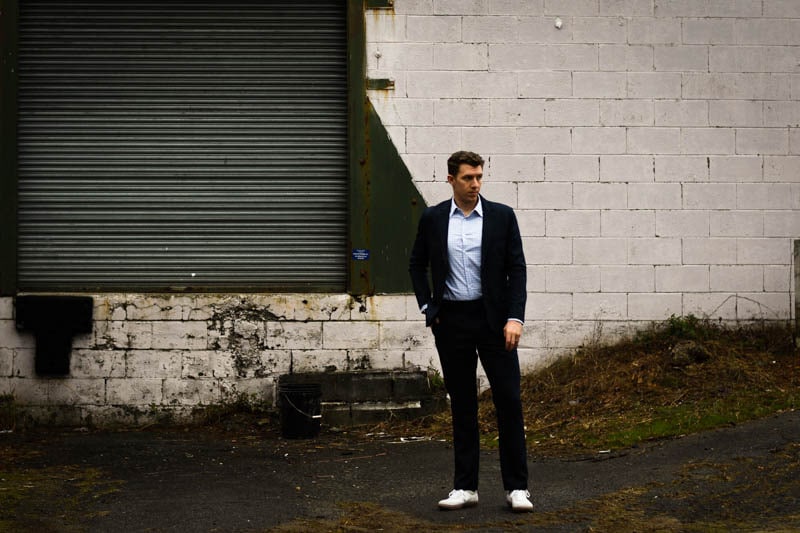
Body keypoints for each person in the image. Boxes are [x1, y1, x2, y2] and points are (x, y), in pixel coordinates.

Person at [409, 150, 533, 512]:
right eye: (467, 178)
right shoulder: (433, 219)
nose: (475, 184)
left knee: (508, 400)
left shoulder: (501, 216)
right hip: (452, 322)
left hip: (496, 322)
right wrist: (428, 307)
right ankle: (465, 488)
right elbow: (416, 263)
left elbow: (517, 270)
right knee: (462, 404)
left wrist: (515, 318)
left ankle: (517, 488)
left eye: (479, 177)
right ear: (451, 180)